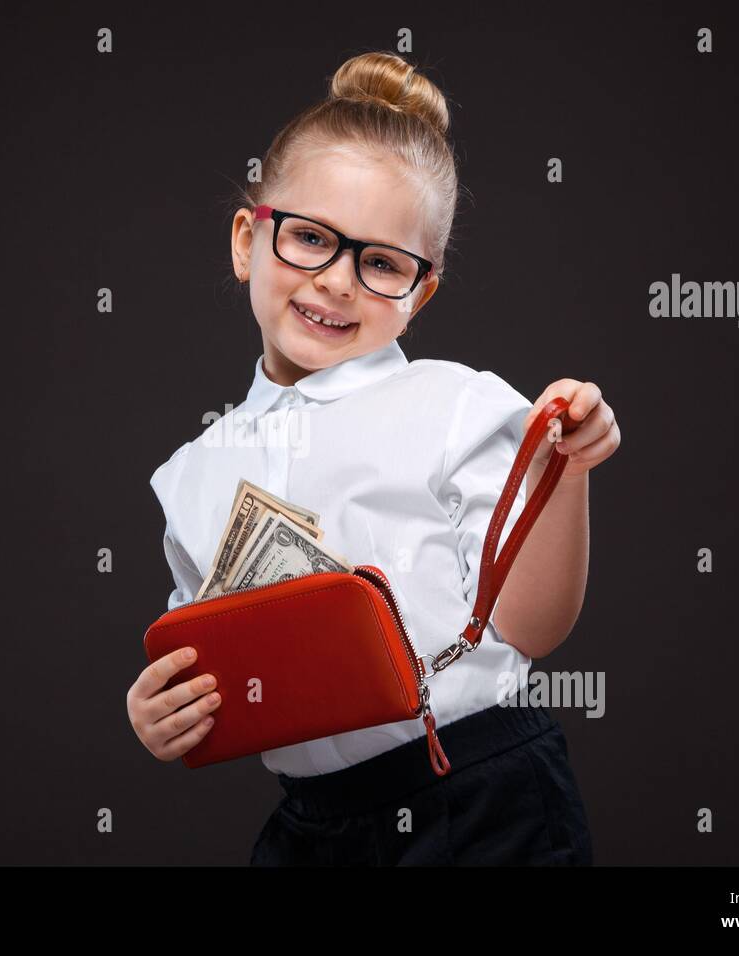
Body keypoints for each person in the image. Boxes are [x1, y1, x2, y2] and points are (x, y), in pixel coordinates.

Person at [126, 51, 621, 865]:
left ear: (419, 293)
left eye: (381, 262)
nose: (337, 283)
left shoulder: (455, 403)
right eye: (311, 239)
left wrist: (561, 474)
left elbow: (534, 627)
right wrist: (164, 714)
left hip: (481, 792)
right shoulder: (192, 474)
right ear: (249, 240)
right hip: (316, 823)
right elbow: (220, 674)